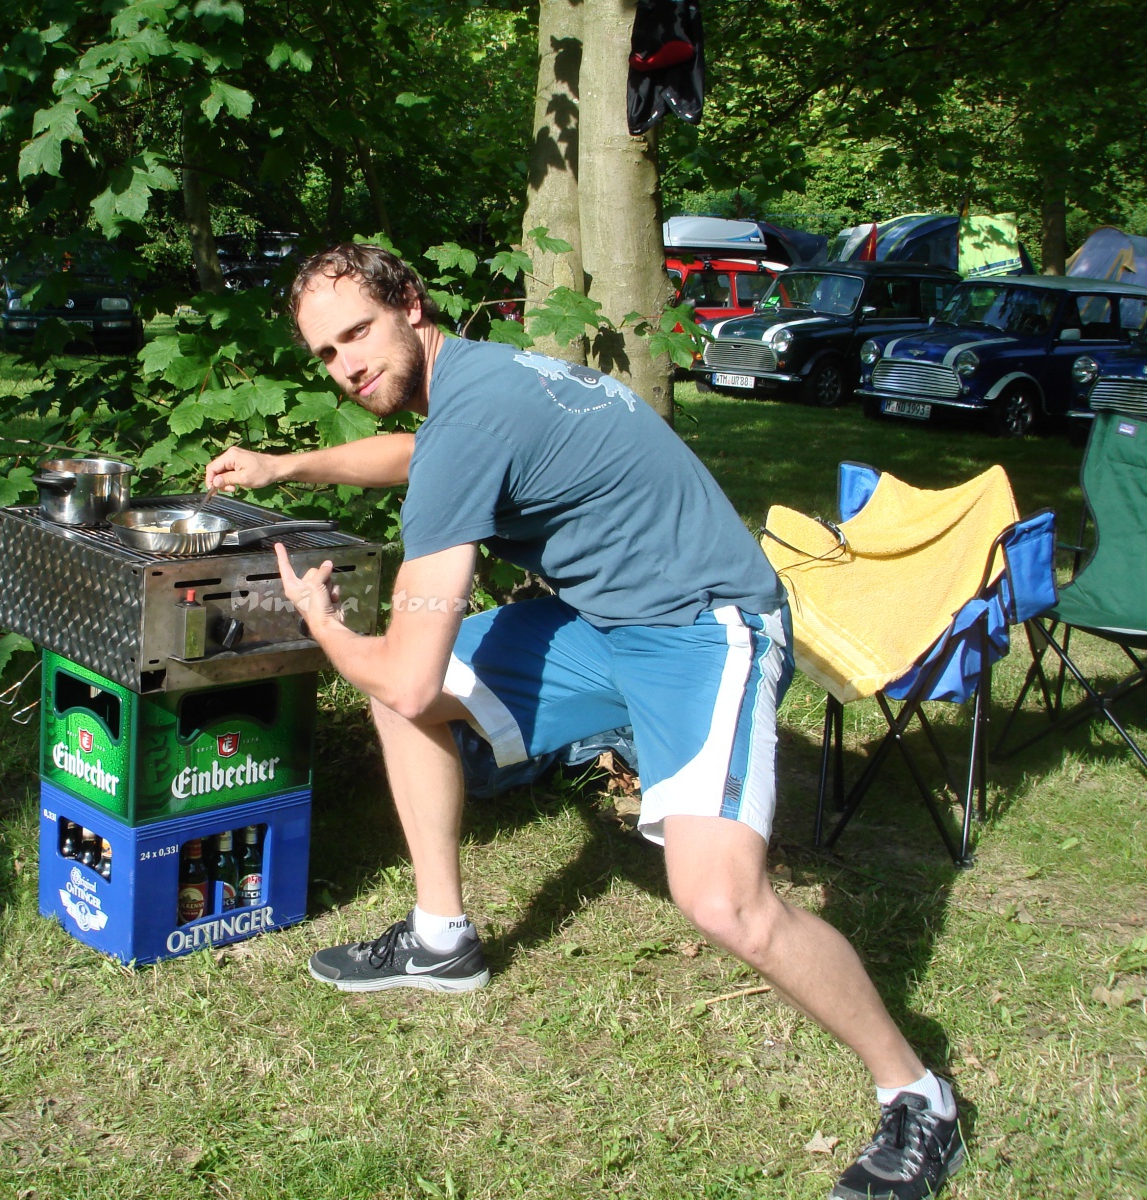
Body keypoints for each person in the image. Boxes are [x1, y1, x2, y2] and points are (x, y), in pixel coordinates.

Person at [204, 243, 964, 1200]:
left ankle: (919, 1096)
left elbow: (406, 672)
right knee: (404, 700)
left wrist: (322, 622)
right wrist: (290, 465)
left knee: (720, 901)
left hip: (704, 626)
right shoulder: (476, 381)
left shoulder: (472, 416)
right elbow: (422, 458)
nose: (347, 365)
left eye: (357, 334)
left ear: (410, 304)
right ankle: (440, 939)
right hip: (604, 622)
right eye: (327, 353)